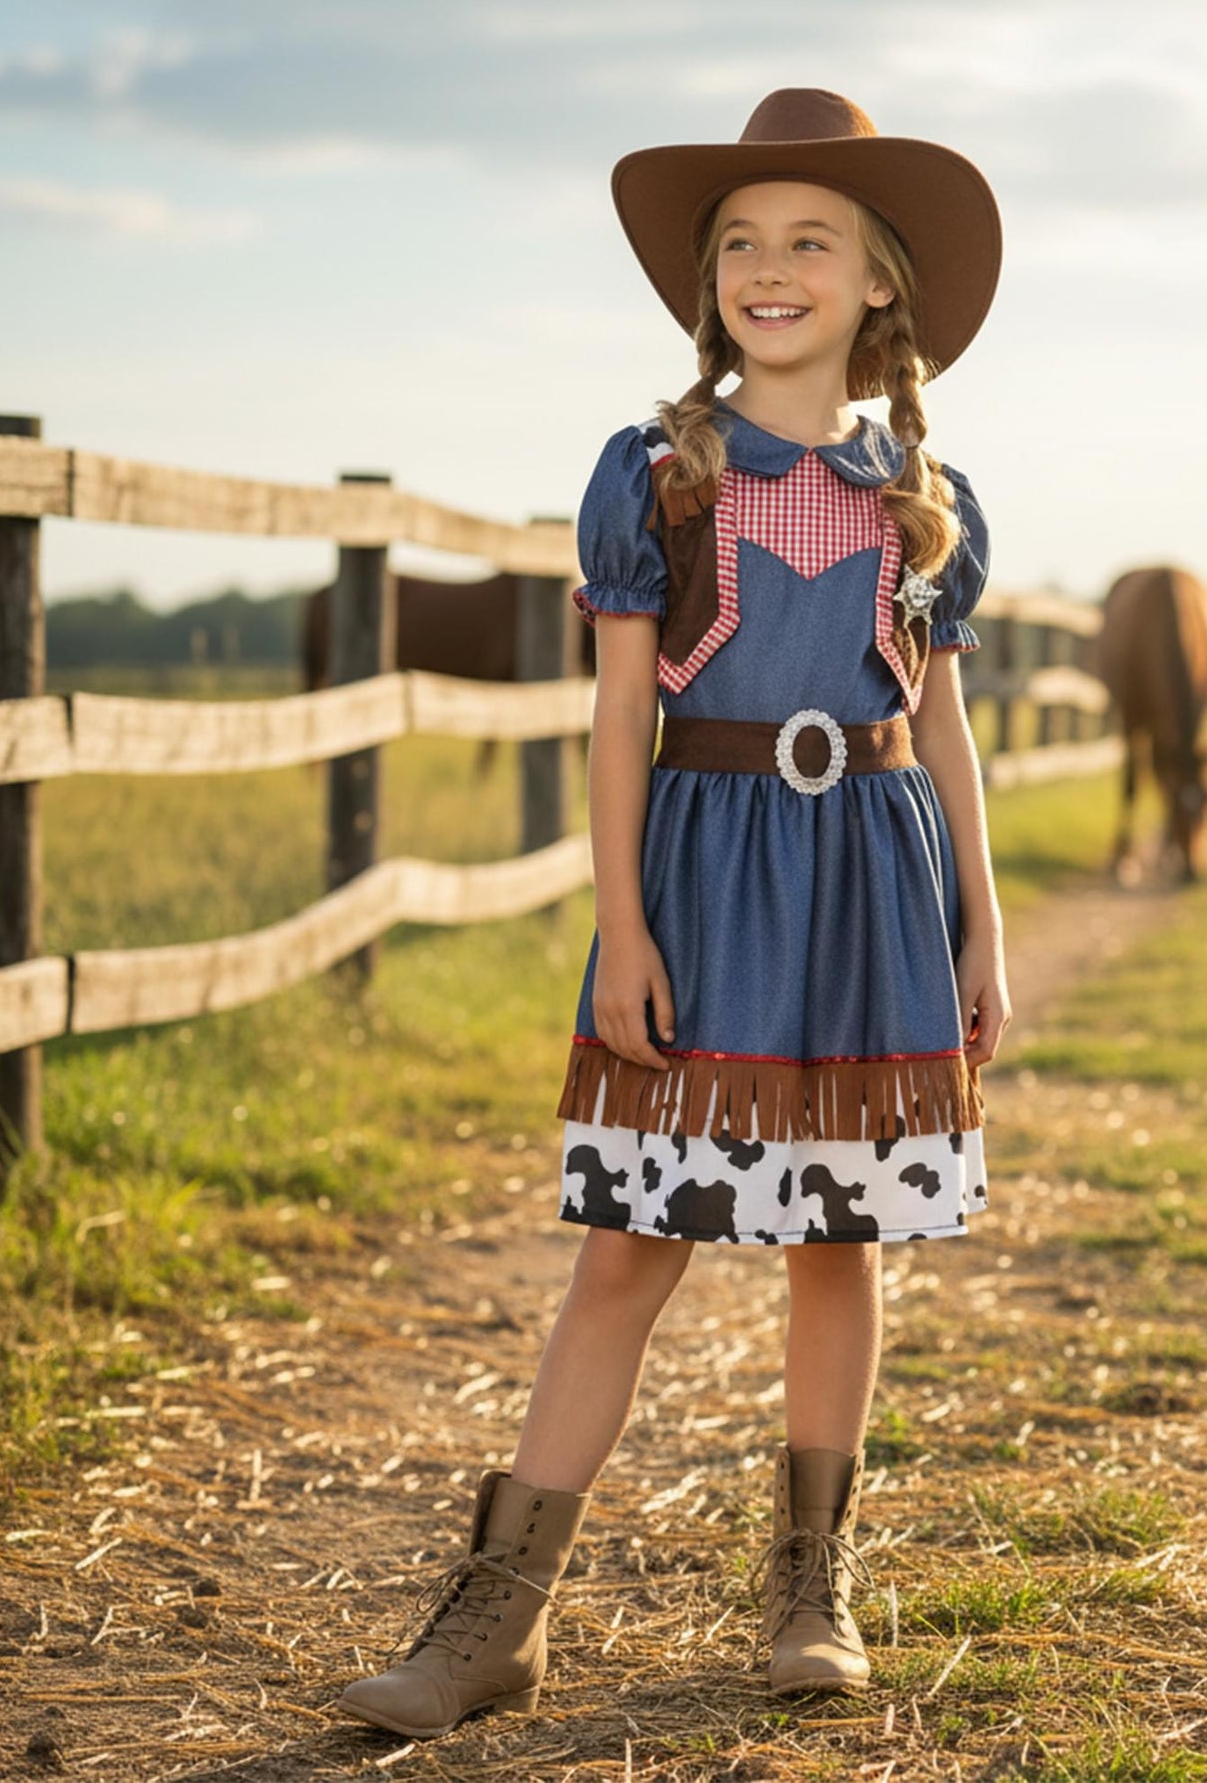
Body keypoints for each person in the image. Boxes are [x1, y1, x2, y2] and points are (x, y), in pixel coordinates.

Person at [338, 86, 1009, 1742]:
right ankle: (498, 1618)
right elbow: (616, 717)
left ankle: (811, 1585)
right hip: (700, 882)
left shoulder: (926, 493)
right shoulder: (654, 477)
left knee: (836, 1244)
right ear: (707, 283)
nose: (768, 268)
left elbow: (942, 727)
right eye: (739, 244)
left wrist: (983, 929)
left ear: (876, 288)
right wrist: (621, 925)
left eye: (810, 242)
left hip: (871, 879)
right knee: (631, 1242)